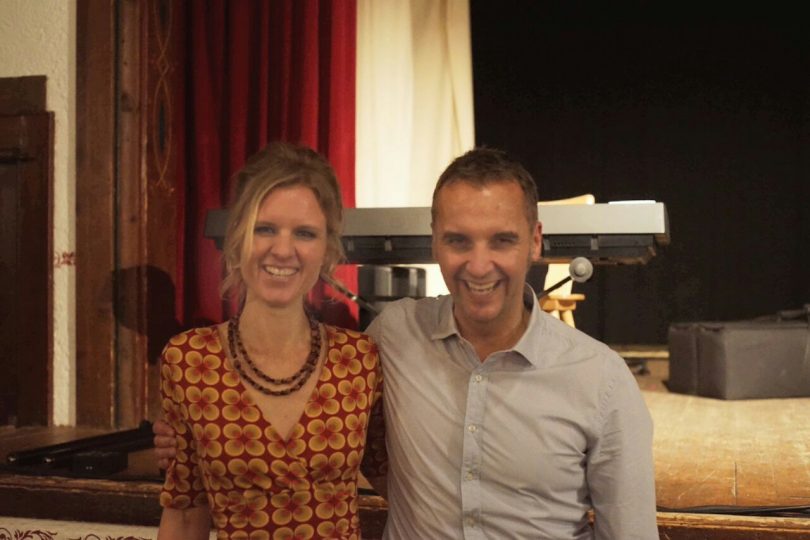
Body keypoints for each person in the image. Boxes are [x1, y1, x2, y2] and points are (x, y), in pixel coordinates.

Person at [156, 147, 658, 539]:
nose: (478, 264)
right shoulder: (392, 338)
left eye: (501, 240)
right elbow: (187, 506)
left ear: (535, 241)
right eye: (459, 240)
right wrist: (185, 433)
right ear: (434, 240)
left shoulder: (601, 380)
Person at [155, 142, 385, 540]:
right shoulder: (189, 360)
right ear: (238, 236)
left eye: (304, 233)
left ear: (327, 248)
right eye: (265, 229)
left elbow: (402, 484)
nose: (282, 250)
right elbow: (186, 514)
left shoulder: (359, 359)